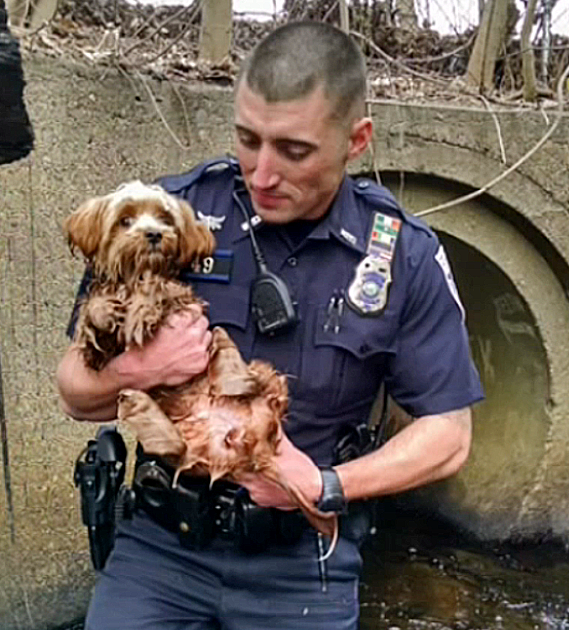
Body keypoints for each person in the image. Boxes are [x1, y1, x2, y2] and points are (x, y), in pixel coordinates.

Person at [56, 21, 482, 629]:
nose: (261, 174)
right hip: (161, 548)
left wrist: (325, 485)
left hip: (301, 564)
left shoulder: (400, 256)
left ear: (355, 141)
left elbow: (449, 436)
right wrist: (138, 370)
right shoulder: (173, 213)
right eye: (248, 140)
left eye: (294, 150)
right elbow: (74, 390)